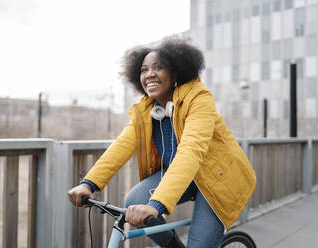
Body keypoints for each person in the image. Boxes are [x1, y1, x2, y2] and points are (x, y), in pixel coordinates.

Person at [68, 37, 256, 248]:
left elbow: (190, 151)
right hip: (185, 177)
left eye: (158, 67)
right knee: (134, 201)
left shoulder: (199, 100)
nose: (149, 74)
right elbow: (120, 147)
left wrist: (156, 205)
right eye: (144, 70)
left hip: (219, 179)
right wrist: (88, 183)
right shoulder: (148, 110)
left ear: (175, 72)